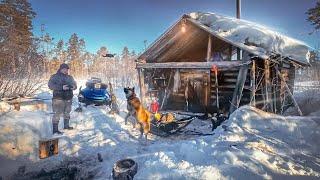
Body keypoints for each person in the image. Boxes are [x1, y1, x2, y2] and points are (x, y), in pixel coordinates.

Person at [48, 63, 77, 134]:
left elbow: (75, 85)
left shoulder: (70, 77)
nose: (65, 70)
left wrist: (73, 87)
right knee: (57, 114)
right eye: (64, 69)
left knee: (67, 112)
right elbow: (50, 85)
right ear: (60, 69)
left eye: (67, 69)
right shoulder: (54, 76)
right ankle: (55, 130)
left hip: (68, 98)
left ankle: (66, 126)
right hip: (58, 98)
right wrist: (61, 87)